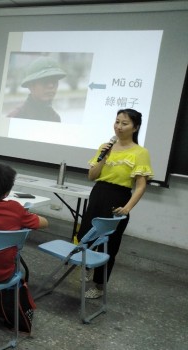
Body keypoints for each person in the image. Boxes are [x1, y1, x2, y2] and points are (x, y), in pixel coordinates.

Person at [78, 108, 153, 299]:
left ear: (135, 127)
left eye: (125, 123)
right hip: (98, 193)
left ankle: (99, 286)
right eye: (117, 121)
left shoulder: (140, 153)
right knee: (85, 234)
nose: (119, 126)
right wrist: (104, 157)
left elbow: (141, 186)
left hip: (119, 197)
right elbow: (92, 176)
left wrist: (127, 208)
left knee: (109, 244)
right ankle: (87, 266)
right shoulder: (106, 146)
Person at [7, 56, 67, 122]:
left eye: (54, 80)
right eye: (45, 80)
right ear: (30, 86)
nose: (51, 85)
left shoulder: (55, 118)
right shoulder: (16, 117)